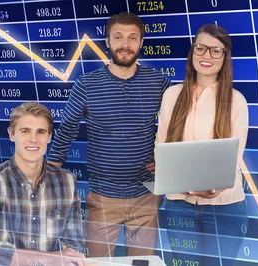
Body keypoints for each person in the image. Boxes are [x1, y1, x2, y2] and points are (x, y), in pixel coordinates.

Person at [47, 12, 172, 257]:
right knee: (96, 263)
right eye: (118, 37)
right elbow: (67, 129)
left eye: (132, 38)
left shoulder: (159, 82)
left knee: (142, 264)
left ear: (141, 42)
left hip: (146, 196)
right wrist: (48, 174)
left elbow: (180, 124)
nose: (125, 44)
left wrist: (171, 162)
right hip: (103, 198)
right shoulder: (86, 84)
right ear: (108, 41)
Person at [153, 24, 249, 265]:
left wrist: (216, 186)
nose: (207, 56)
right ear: (192, 52)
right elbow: (161, 145)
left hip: (224, 207)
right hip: (179, 205)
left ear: (225, 57)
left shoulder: (237, 101)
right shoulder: (171, 96)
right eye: (201, 48)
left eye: (216, 50)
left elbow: (234, 157)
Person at [0, 102, 86, 266]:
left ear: (49, 137)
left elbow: (74, 245)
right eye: (25, 131)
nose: (33, 139)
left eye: (41, 132)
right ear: (12, 135)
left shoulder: (67, 182)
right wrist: (53, 259)